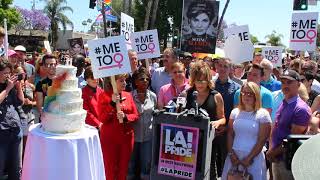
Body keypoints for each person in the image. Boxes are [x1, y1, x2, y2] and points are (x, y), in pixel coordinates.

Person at [222, 82, 272, 180]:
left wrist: (249, 158)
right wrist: (232, 154)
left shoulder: (263, 114)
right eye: (244, 92)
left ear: (256, 95)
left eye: (250, 93)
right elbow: (230, 134)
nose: (246, 96)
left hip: (254, 158)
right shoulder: (235, 112)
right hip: (234, 157)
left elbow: (262, 139)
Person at [267, 70, 311, 180]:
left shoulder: (300, 109)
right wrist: (272, 150)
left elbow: (292, 141)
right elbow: (276, 127)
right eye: (283, 82)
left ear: (299, 84)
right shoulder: (285, 102)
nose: (285, 85)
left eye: (289, 82)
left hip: (289, 162)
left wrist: (272, 152)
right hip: (278, 158)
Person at [185, 60, 226, 180]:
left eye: (203, 80)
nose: (200, 83)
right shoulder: (188, 94)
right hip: (189, 142)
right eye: (198, 80)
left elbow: (223, 118)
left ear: (208, 79)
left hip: (209, 142)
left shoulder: (216, 96)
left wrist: (217, 122)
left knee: (210, 171)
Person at [98, 74, 139, 180]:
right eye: (121, 81)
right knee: (110, 168)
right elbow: (102, 118)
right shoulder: (103, 95)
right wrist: (112, 103)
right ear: (112, 82)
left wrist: (126, 117)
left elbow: (136, 115)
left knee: (124, 168)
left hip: (126, 138)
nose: (124, 83)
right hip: (110, 139)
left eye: (125, 80)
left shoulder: (128, 95)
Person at [128, 67, 157, 180]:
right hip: (132, 137)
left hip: (148, 138)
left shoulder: (153, 96)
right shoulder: (129, 96)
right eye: (141, 79)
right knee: (131, 165)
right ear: (135, 81)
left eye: (147, 79)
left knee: (146, 165)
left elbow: (157, 114)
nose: (145, 81)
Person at [0, 59, 24, 180]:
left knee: (15, 167)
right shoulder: (7, 87)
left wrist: (18, 87)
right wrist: (8, 89)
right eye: (5, 73)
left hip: (15, 128)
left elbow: (21, 101)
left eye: (9, 72)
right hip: (1, 131)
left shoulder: (9, 85)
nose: (8, 75)